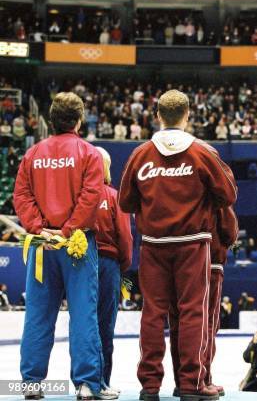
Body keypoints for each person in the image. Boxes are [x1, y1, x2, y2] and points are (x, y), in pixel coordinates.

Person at [119, 89, 237, 401]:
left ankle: (149, 386)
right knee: (192, 313)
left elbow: (126, 202)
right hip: (192, 244)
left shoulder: (140, 154)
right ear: (187, 116)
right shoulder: (201, 153)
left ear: (157, 116)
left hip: (154, 244)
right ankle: (191, 384)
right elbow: (228, 196)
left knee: (152, 313)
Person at [13, 92, 108, 399]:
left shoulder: (33, 154)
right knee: (82, 314)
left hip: (43, 245)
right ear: (80, 120)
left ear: (51, 120)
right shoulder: (89, 153)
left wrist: (41, 230)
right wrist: (67, 232)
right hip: (76, 245)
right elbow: (91, 196)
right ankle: (85, 385)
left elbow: (22, 196)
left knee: (38, 314)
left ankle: (31, 383)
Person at [169, 205, 239, 397]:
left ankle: (182, 381)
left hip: (177, 258)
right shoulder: (216, 195)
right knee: (206, 323)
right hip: (210, 262)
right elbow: (230, 230)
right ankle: (202, 379)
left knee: (179, 323)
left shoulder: (184, 187)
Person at [94, 147, 133, 393]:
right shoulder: (113, 196)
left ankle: (84, 381)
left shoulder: (78, 196)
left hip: (79, 263)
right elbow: (125, 237)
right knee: (105, 325)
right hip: (108, 263)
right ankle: (102, 382)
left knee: (83, 324)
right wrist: (124, 265)